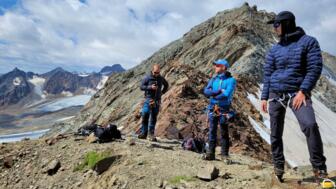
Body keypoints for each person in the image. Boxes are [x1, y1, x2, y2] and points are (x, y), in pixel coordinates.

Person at [261, 11, 327, 182]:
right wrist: (264, 96)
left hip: (297, 93)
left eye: (276, 24)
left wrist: (303, 91)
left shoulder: (309, 42)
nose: (274, 28)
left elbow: (315, 67)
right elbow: (268, 73)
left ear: (286, 24)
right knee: (275, 132)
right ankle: (278, 166)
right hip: (276, 94)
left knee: (310, 125)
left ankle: (319, 169)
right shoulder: (275, 49)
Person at [203, 59, 236, 162]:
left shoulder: (231, 80)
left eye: (217, 65)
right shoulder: (214, 79)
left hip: (224, 108)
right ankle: (211, 153)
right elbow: (205, 91)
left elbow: (226, 94)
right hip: (214, 107)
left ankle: (225, 154)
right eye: (215, 65)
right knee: (212, 129)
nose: (215, 67)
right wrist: (217, 92)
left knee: (223, 131)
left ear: (224, 67)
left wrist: (213, 95)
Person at [138, 64, 169, 141]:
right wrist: (150, 87)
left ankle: (151, 134)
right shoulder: (147, 78)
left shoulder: (161, 78)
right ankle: (143, 133)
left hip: (157, 100)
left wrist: (162, 92)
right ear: (152, 71)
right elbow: (141, 87)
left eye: (158, 72)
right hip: (148, 99)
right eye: (155, 72)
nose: (156, 74)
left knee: (153, 117)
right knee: (145, 115)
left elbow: (166, 85)